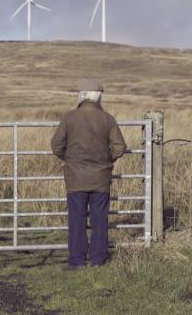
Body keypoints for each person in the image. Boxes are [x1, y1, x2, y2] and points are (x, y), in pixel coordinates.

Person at [51, 79, 126, 270]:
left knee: (77, 220)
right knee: (100, 219)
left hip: (76, 178)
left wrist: (70, 159)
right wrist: (108, 161)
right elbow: (119, 147)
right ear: (98, 96)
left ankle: (77, 261)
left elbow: (56, 145)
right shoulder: (108, 119)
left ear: (82, 96)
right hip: (101, 177)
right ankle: (98, 260)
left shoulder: (69, 117)